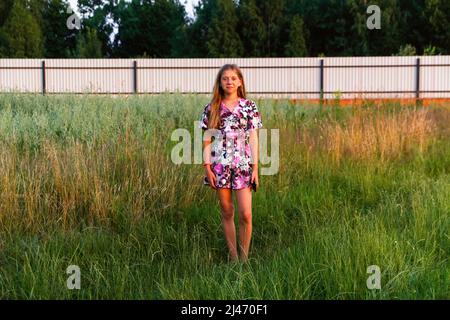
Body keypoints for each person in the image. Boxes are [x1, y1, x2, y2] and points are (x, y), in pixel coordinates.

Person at [199, 64, 263, 263]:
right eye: (225, 78)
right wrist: (207, 168)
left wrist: (255, 168)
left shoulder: (249, 106)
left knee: (246, 214)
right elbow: (207, 140)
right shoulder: (212, 108)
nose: (229, 82)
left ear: (240, 82)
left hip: (243, 166)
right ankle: (234, 259)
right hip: (220, 166)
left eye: (233, 78)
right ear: (220, 82)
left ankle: (245, 259)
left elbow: (253, 138)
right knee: (227, 211)